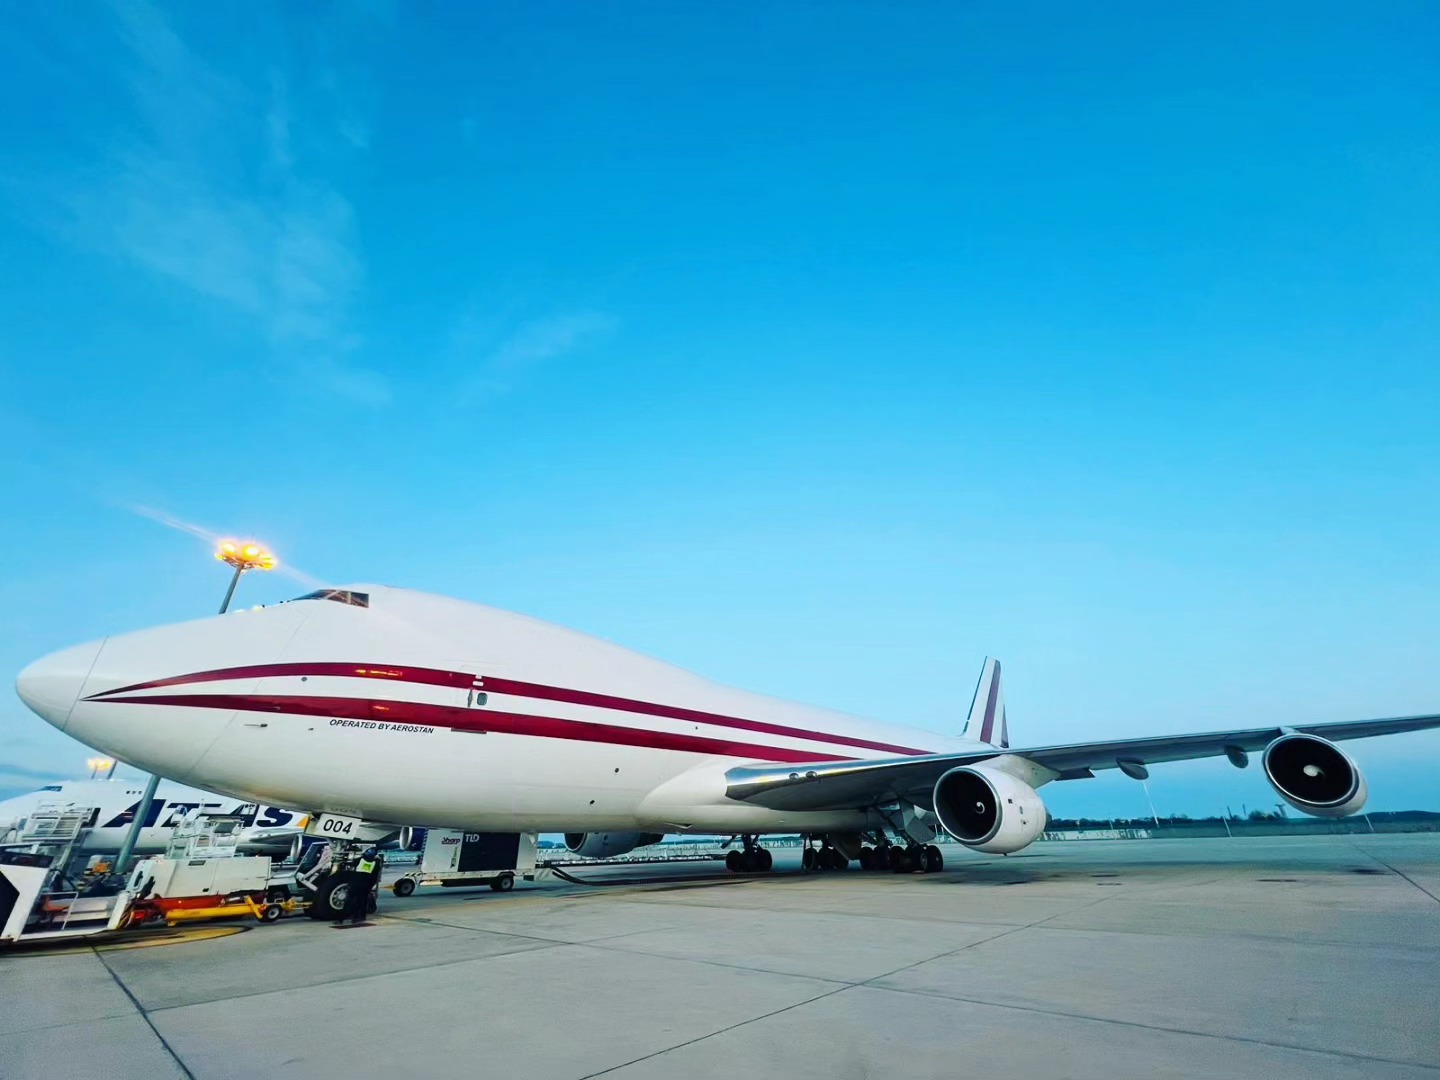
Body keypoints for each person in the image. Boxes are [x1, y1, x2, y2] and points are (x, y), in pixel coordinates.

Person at [336, 846, 381, 925]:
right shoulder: (375, 863)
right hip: (365, 885)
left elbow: (351, 871)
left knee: (350, 901)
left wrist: (349, 882)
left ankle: (343, 917)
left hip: (356, 884)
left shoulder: (359, 860)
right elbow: (374, 877)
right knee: (361, 902)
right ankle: (359, 917)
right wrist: (370, 886)